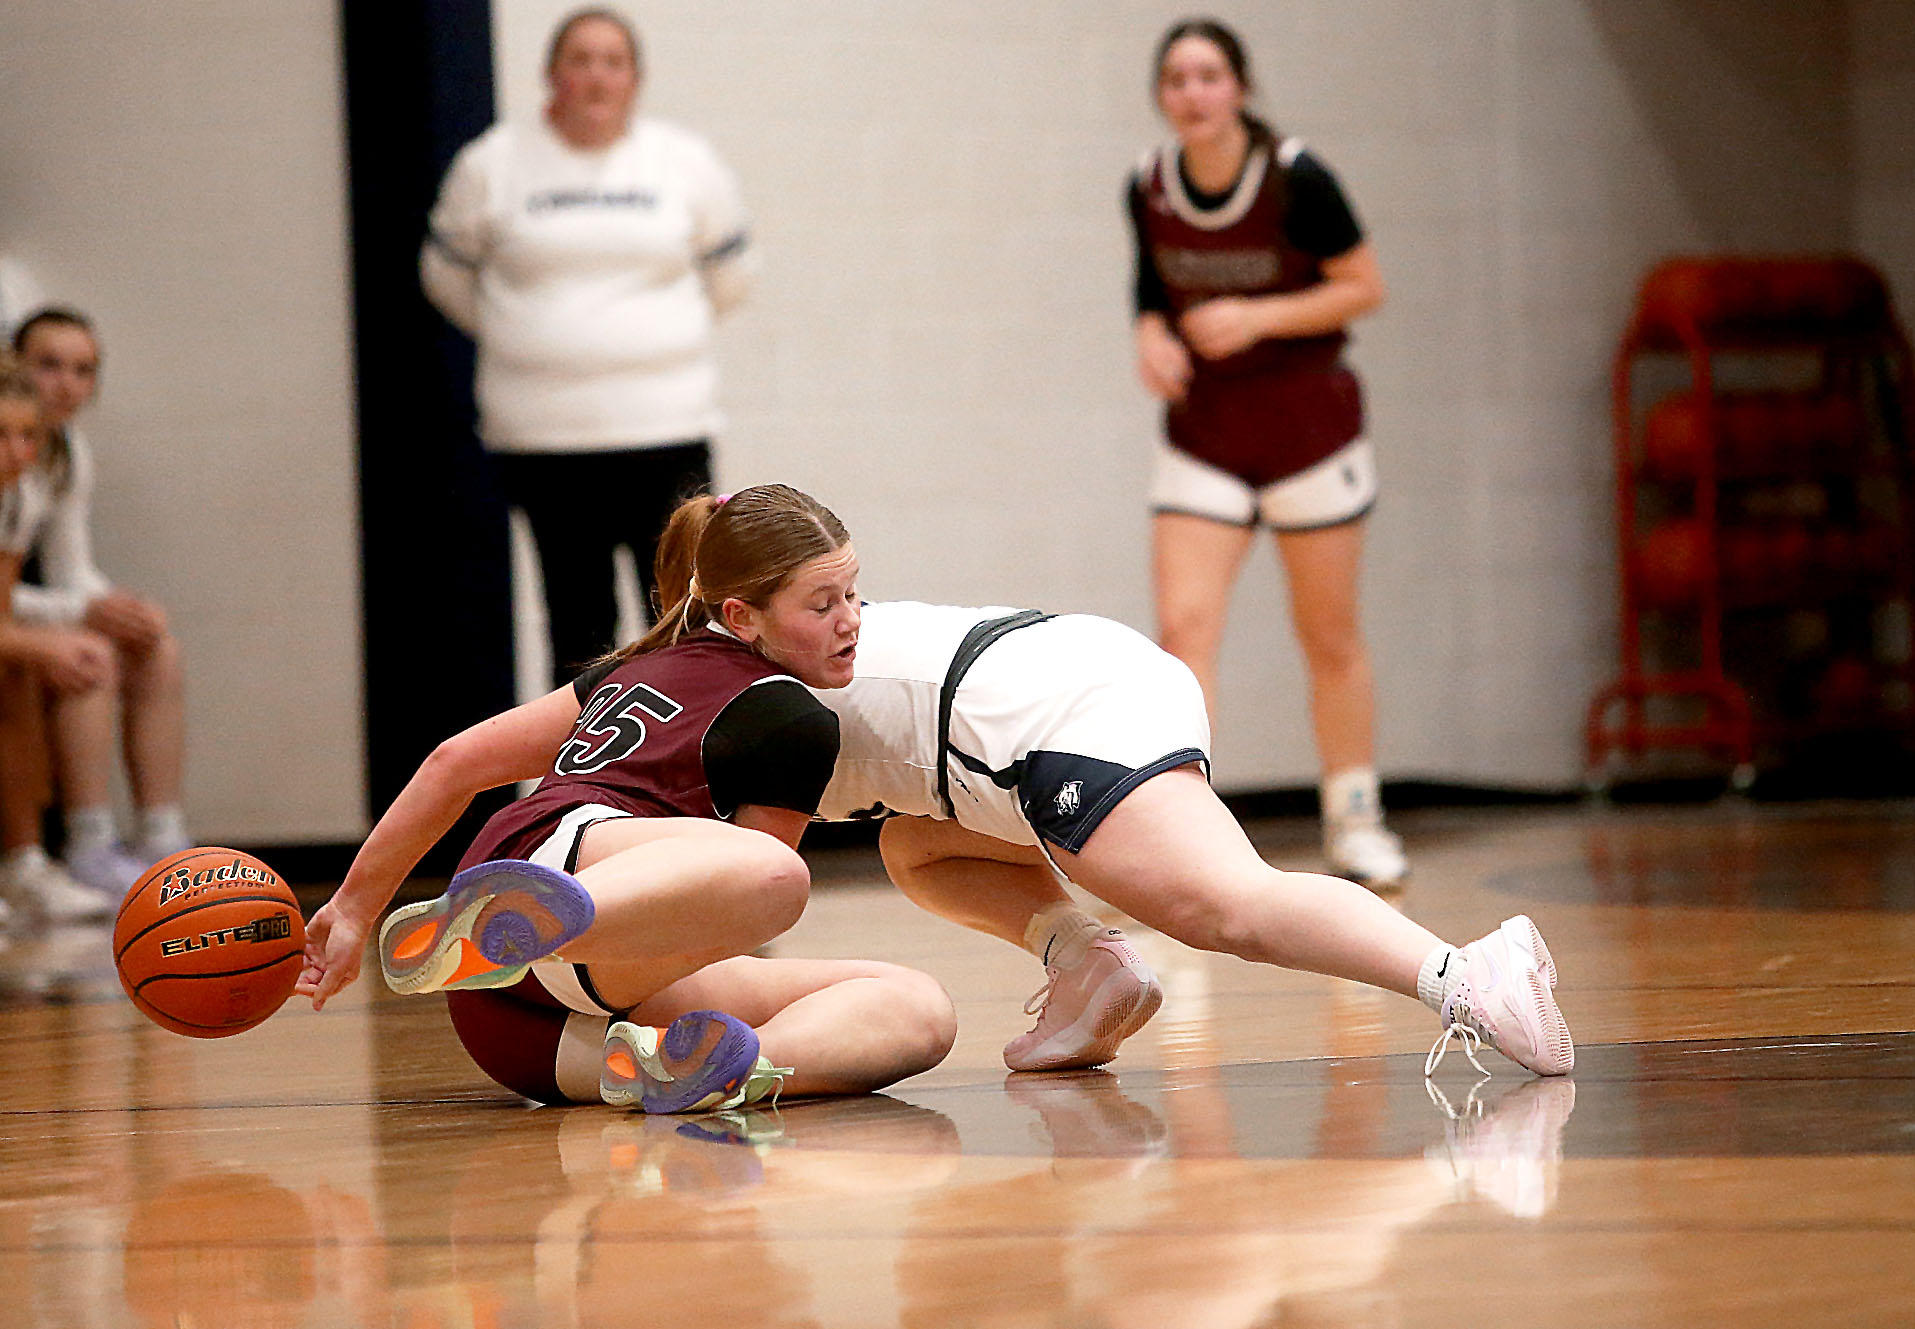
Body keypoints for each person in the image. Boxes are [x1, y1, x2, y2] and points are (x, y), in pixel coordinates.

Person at [296, 486, 955, 1114]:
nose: (851, 620)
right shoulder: (793, 720)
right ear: (741, 616)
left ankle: (721, 1065)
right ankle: (528, 917)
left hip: (515, 1026)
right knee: (775, 877)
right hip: (576, 871)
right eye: (821, 605)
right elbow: (736, 917)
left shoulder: (636, 665)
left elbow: (454, 763)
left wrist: (354, 909)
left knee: (921, 1008)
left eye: (853, 591)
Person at [807, 600, 1573, 1080]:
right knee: (916, 846)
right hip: (1082, 669)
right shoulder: (728, 670)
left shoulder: (720, 711)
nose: (841, 612)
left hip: (1060, 718)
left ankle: (1464, 973)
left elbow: (757, 889)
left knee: (1229, 908)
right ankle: (1088, 966)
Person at [1129, 19, 1404, 888]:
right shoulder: (1147, 183)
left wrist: (1254, 317)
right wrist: (1149, 336)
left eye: (1208, 75)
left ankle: (1354, 818)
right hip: (1206, 436)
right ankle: (1185, 831)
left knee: (1326, 634)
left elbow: (1365, 287)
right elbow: (1148, 289)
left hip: (1308, 434)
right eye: (1176, 78)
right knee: (1182, 632)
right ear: (1161, 96)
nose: (1192, 93)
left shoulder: (1298, 177)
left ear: (1239, 89)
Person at [420, 6, 758, 686]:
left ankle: (694, 774)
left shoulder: (682, 161)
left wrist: (642, 343)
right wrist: (534, 337)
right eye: (580, 59)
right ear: (551, 76)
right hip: (546, 440)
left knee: (685, 618)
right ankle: (583, 780)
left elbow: (732, 276)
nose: (597, 76)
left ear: (635, 79)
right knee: (577, 623)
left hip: (665, 429)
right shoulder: (493, 163)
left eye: (613, 62)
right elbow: (445, 278)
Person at [8, 309, 188, 892]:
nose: (65, 384)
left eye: (83, 370)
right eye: (48, 365)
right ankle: (81, 844)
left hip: (19, 614)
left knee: (155, 646)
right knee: (88, 654)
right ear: (14, 368)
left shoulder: (64, 453)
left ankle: (162, 837)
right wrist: (81, 615)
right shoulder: (13, 457)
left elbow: (69, 573)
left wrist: (120, 607)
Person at [0, 353, 116, 927]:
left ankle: (25, 865)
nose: (18, 451)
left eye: (27, 435)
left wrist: (36, 645)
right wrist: (38, 644)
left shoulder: (18, 494)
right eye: (0, 434)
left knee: (15, 671)